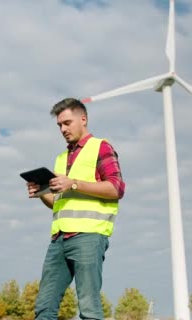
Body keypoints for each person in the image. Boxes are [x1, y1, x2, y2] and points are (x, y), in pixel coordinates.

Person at [27, 98, 126, 320]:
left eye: (67, 123)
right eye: (59, 125)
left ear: (84, 119)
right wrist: (41, 194)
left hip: (89, 237)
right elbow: (59, 203)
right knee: (44, 307)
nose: (63, 129)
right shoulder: (60, 158)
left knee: (89, 309)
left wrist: (73, 183)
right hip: (58, 239)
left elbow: (116, 188)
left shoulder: (101, 147)